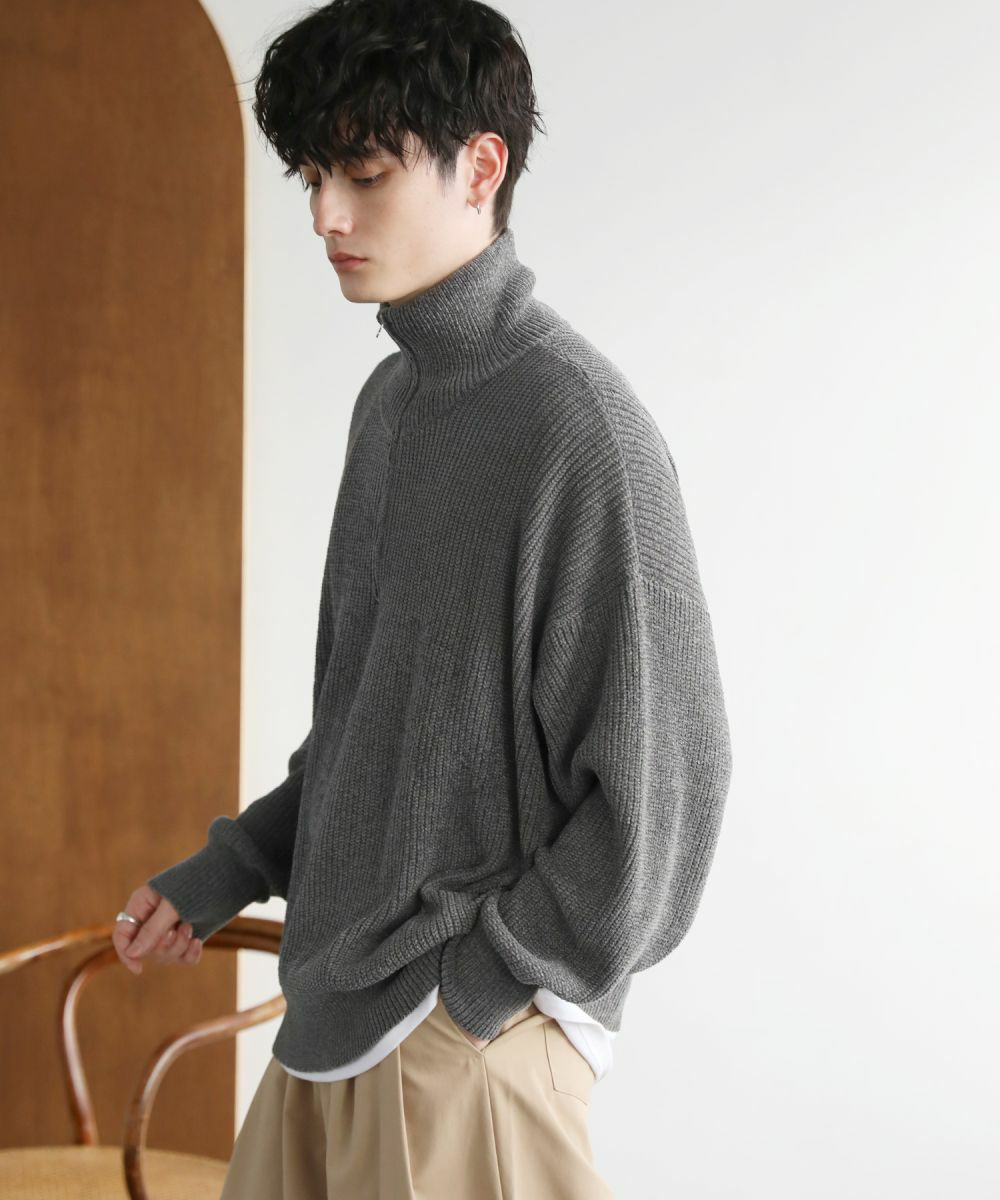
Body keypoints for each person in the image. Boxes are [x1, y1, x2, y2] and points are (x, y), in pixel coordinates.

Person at [112, 0, 734, 1195]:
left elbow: (668, 790)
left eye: (364, 174)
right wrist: (227, 870)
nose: (325, 216)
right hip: (328, 1029)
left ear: (480, 167)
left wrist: (483, 987)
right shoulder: (392, 406)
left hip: (462, 1050)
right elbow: (371, 732)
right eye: (312, 176)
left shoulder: (576, 431)